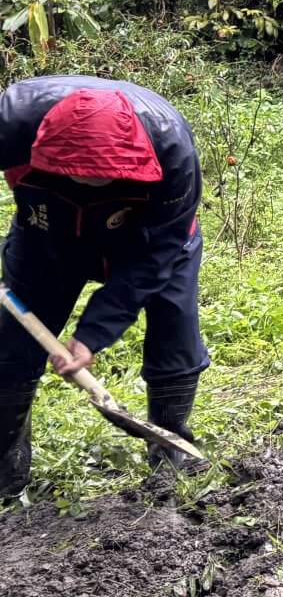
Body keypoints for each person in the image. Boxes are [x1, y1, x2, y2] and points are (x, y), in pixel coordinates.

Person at [0, 78, 209, 493]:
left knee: (174, 326)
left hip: (145, 236)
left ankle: (171, 445)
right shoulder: (11, 120)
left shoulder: (172, 152)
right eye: (77, 174)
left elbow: (154, 260)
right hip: (46, 230)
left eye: (101, 176)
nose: (90, 182)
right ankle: (5, 456)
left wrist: (90, 336)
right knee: (10, 342)